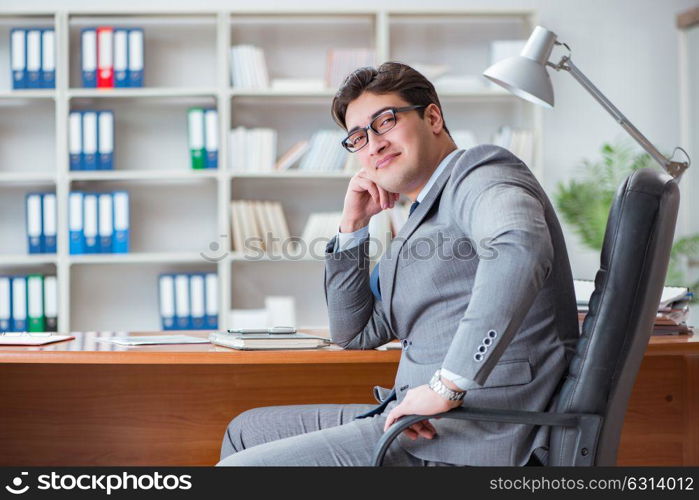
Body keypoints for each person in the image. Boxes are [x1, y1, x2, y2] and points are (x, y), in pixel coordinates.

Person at [217, 62, 578, 467]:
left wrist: (448, 385)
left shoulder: (479, 173)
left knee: (238, 471)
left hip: (476, 431)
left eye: (384, 122)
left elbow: (519, 248)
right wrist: (353, 226)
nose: (373, 145)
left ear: (433, 116)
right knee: (245, 431)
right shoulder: (422, 217)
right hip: (416, 418)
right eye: (358, 137)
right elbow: (353, 333)